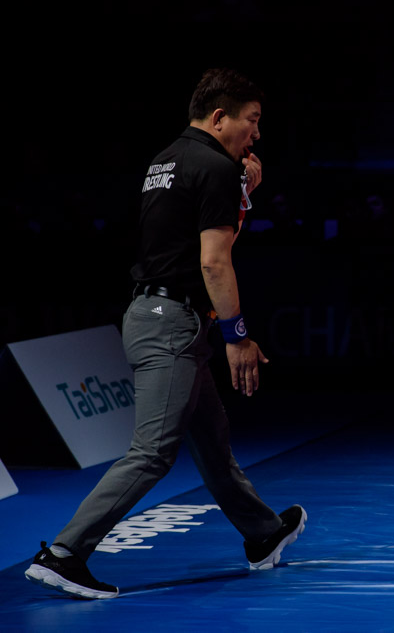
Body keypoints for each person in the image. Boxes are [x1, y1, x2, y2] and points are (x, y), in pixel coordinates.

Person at [24, 68, 306, 599]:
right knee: (153, 451)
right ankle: (63, 554)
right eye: (252, 120)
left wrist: (244, 194)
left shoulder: (167, 159)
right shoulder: (216, 167)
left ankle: (263, 533)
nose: (257, 133)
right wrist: (237, 336)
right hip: (171, 323)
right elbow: (214, 261)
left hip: (158, 315)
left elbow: (191, 240)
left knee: (212, 444)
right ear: (219, 117)